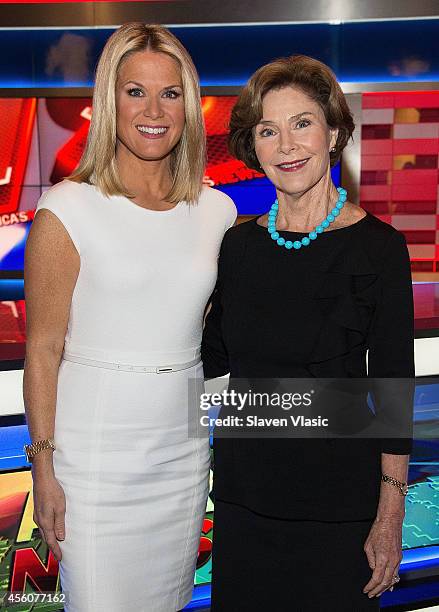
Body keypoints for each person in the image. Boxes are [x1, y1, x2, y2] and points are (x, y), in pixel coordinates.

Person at [23, 22, 236, 612]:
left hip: (183, 456)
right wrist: (43, 468)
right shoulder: (67, 208)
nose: (153, 109)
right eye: (135, 91)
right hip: (94, 462)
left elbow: (218, 335)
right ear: (108, 100)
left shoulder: (215, 211)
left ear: (188, 105)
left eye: (170, 93)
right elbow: (42, 350)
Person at [201, 55, 414, 611]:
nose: (287, 144)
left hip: (339, 510)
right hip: (245, 502)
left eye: (302, 123)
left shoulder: (380, 249)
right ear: (255, 148)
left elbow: (393, 392)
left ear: (334, 132)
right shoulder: (237, 246)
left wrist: (389, 515)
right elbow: (209, 354)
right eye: (268, 130)